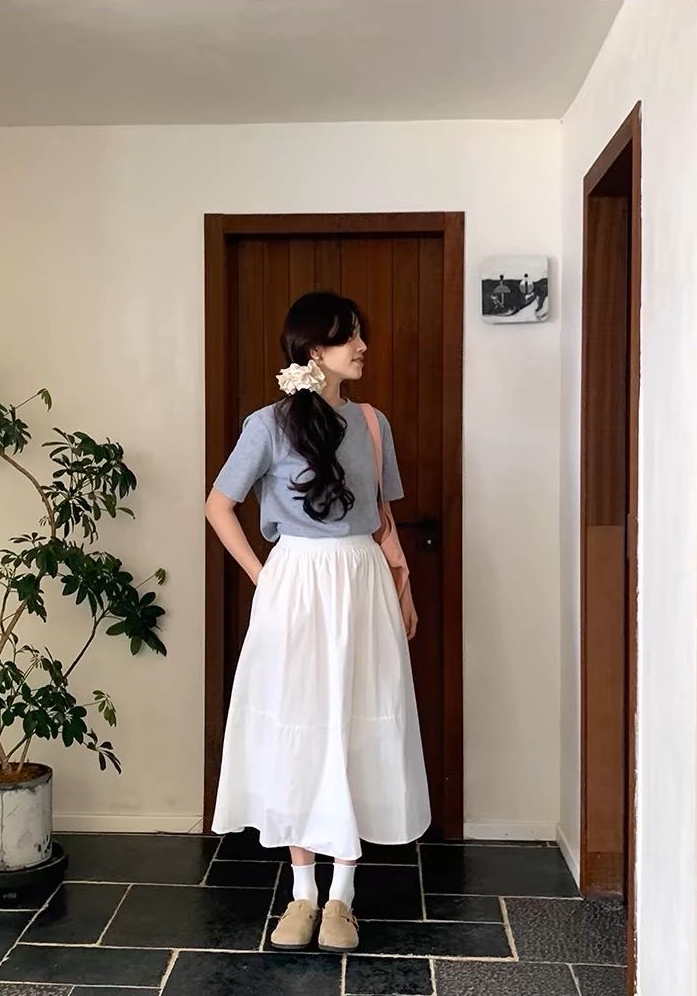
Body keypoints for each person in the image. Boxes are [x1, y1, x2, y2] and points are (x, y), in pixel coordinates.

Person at [205, 290, 430, 953]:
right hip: (296, 585)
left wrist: (402, 587)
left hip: (363, 582)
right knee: (299, 730)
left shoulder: (372, 423)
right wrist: (263, 575)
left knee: (355, 725)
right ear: (313, 350)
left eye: (359, 333)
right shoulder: (267, 424)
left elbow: (382, 517)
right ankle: (302, 894)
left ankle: (342, 898)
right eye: (347, 336)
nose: (362, 346)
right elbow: (219, 505)